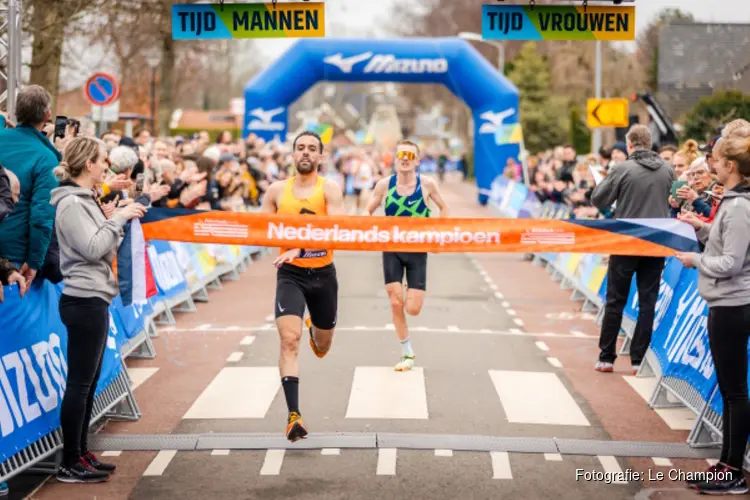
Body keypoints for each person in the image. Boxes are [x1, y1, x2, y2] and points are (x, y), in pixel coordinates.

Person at [50, 137, 148, 483]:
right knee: (79, 383)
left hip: (94, 296)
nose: (106, 165)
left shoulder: (83, 199)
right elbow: (93, 249)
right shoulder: (72, 204)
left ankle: (80, 452)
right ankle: (70, 460)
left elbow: (100, 242)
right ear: (88, 164)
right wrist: (118, 218)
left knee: (88, 382)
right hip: (83, 298)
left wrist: (111, 222)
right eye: (101, 160)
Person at [676, 134, 750, 495]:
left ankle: (732, 470)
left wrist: (695, 260)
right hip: (731, 302)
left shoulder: (738, 206)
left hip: (733, 304)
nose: (710, 166)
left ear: (731, 166)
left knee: (734, 392)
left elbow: (731, 263)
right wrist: (702, 227)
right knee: (732, 391)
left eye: (716, 161)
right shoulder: (735, 202)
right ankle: (728, 464)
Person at [260, 131, 346, 442]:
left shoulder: (330, 190)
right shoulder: (275, 192)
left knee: (322, 346)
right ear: (292, 155)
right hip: (291, 276)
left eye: (312, 149)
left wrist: (302, 247)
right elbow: (262, 231)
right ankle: (293, 416)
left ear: (321, 157)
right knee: (289, 340)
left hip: (323, 275)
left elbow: (338, 233)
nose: (305, 153)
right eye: (300, 148)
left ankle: (314, 328)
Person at [590, 124, 675, 375]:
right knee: (648, 302)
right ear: (649, 144)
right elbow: (676, 200)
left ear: (629, 145)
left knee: (615, 300)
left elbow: (598, 199)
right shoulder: (668, 170)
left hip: (626, 240)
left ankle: (606, 357)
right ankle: (638, 360)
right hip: (656, 241)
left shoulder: (622, 168)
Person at [364, 140, 449, 371]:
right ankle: (407, 352)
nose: (405, 158)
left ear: (417, 161)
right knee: (395, 300)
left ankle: (408, 334)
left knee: (412, 308)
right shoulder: (384, 185)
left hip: (418, 251)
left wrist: (438, 237)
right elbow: (367, 210)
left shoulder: (427, 185)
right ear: (395, 158)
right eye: (401, 154)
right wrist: (371, 229)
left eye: (410, 155)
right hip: (391, 248)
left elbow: (444, 208)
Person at [0, 85, 62, 293]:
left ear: (16, 112)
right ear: (48, 115)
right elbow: (42, 216)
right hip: (15, 253)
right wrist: (35, 261)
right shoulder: (46, 158)